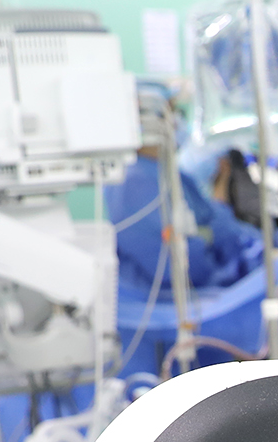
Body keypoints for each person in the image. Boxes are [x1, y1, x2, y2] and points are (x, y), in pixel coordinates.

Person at [106, 148, 263, 376]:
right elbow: (173, 267)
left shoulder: (167, 173)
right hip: (158, 310)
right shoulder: (135, 183)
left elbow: (216, 224)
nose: (174, 128)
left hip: (191, 290)